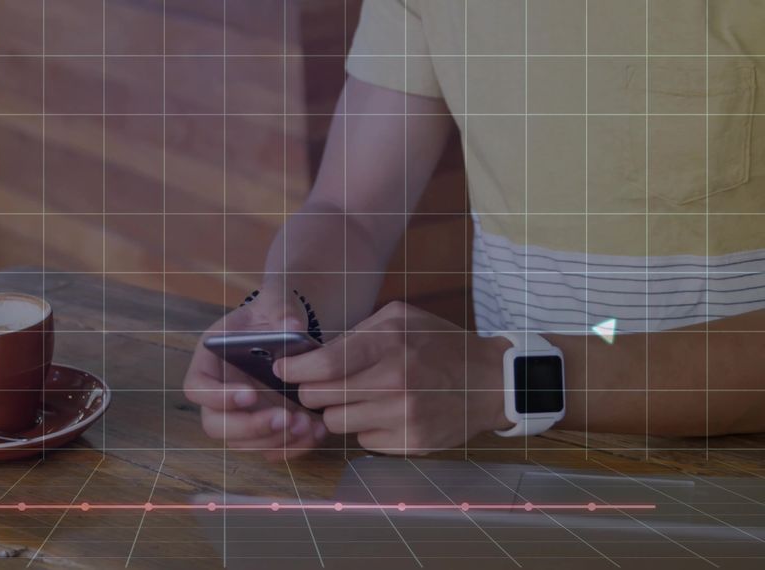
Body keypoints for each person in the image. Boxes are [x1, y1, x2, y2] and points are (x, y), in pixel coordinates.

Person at [183, 0, 765, 459]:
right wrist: (283, 320)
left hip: (739, 483)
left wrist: (509, 381)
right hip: (518, 460)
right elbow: (349, 211)